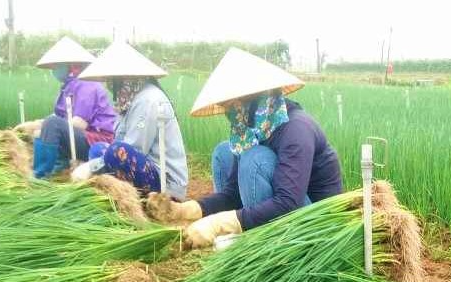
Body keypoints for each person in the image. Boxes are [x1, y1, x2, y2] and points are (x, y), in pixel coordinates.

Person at [146, 48, 343, 249]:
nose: (229, 113)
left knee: (254, 159)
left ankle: (266, 246)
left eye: (232, 106)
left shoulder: (296, 129)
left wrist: (218, 224)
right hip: (288, 210)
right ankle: (248, 235)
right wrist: (183, 211)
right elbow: (232, 194)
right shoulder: (253, 133)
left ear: (252, 101)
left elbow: (288, 202)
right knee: (224, 152)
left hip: (317, 225)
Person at [69, 41, 187, 198]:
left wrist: (92, 167)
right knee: (98, 149)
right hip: (146, 167)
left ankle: (130, 198)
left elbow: (132, 149)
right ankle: (114, 192)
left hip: (165, 183)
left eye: (112, 79)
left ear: (123, 78)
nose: (109, 84)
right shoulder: (129, 100)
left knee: (116, 152)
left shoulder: (148, 100)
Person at [16, 37, 117, 178]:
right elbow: (59, 116)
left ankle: (40, 174)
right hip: (84, 136)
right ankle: (58, 168)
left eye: (58, 66)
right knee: (45, 128)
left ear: (72, 66)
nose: (55, 70)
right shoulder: (69, 86)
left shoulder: (86, 84)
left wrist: (48, 125)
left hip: (96, 140)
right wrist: (34, 124)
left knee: (51, 125)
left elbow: (80, 123)